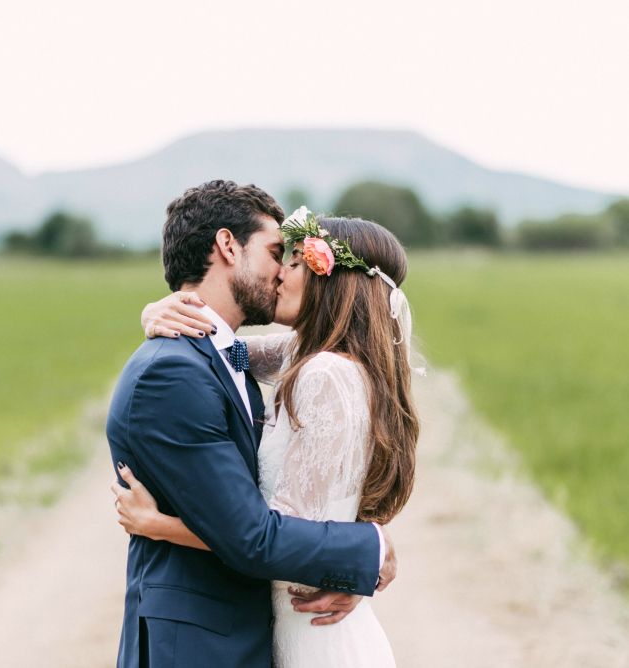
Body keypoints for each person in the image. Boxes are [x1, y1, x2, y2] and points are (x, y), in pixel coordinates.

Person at [113, 203, 421, 667]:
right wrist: (160, 311)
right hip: (292, 625)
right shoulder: (310, 355)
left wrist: (367, 554)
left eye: (294, 260)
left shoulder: (324, 372)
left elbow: (263, 535)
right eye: (280, 254)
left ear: (329, 277)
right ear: (227, 246)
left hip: (313, 633)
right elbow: (226, 351)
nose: (281, 273)